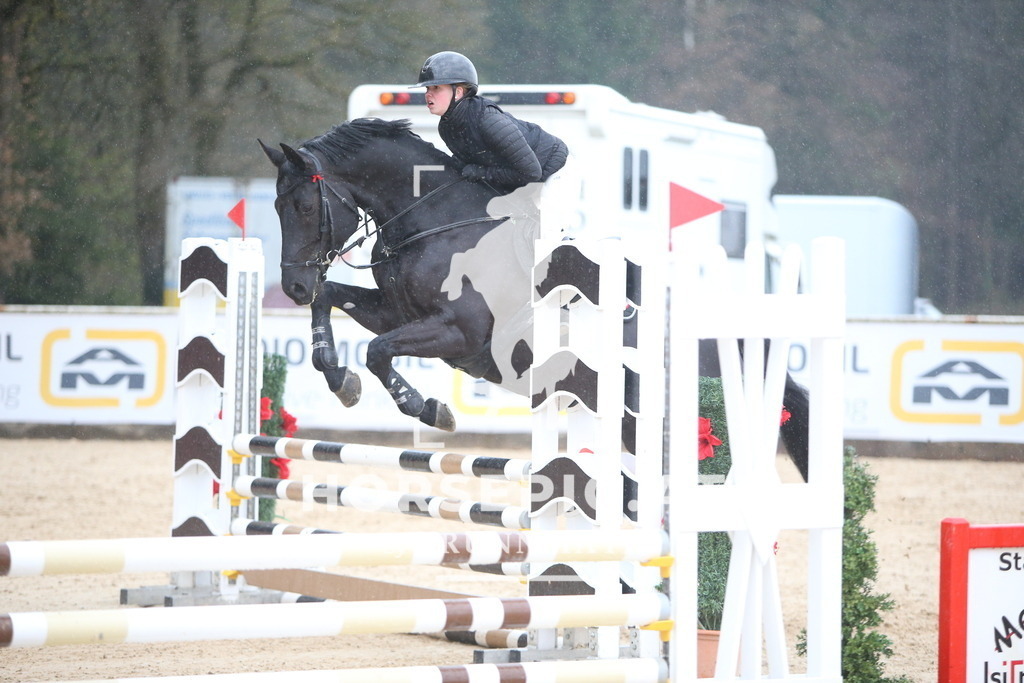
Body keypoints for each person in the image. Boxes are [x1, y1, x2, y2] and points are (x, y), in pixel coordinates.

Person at [413, 51, 569, 196]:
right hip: (525, 179)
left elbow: (531, 174)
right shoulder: (446, 128)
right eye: (427, 88)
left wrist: (479, 172)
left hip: (554, 170)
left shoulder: (488, 120)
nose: (428, 94)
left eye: (436, 88)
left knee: (537, 224)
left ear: (458, 92)